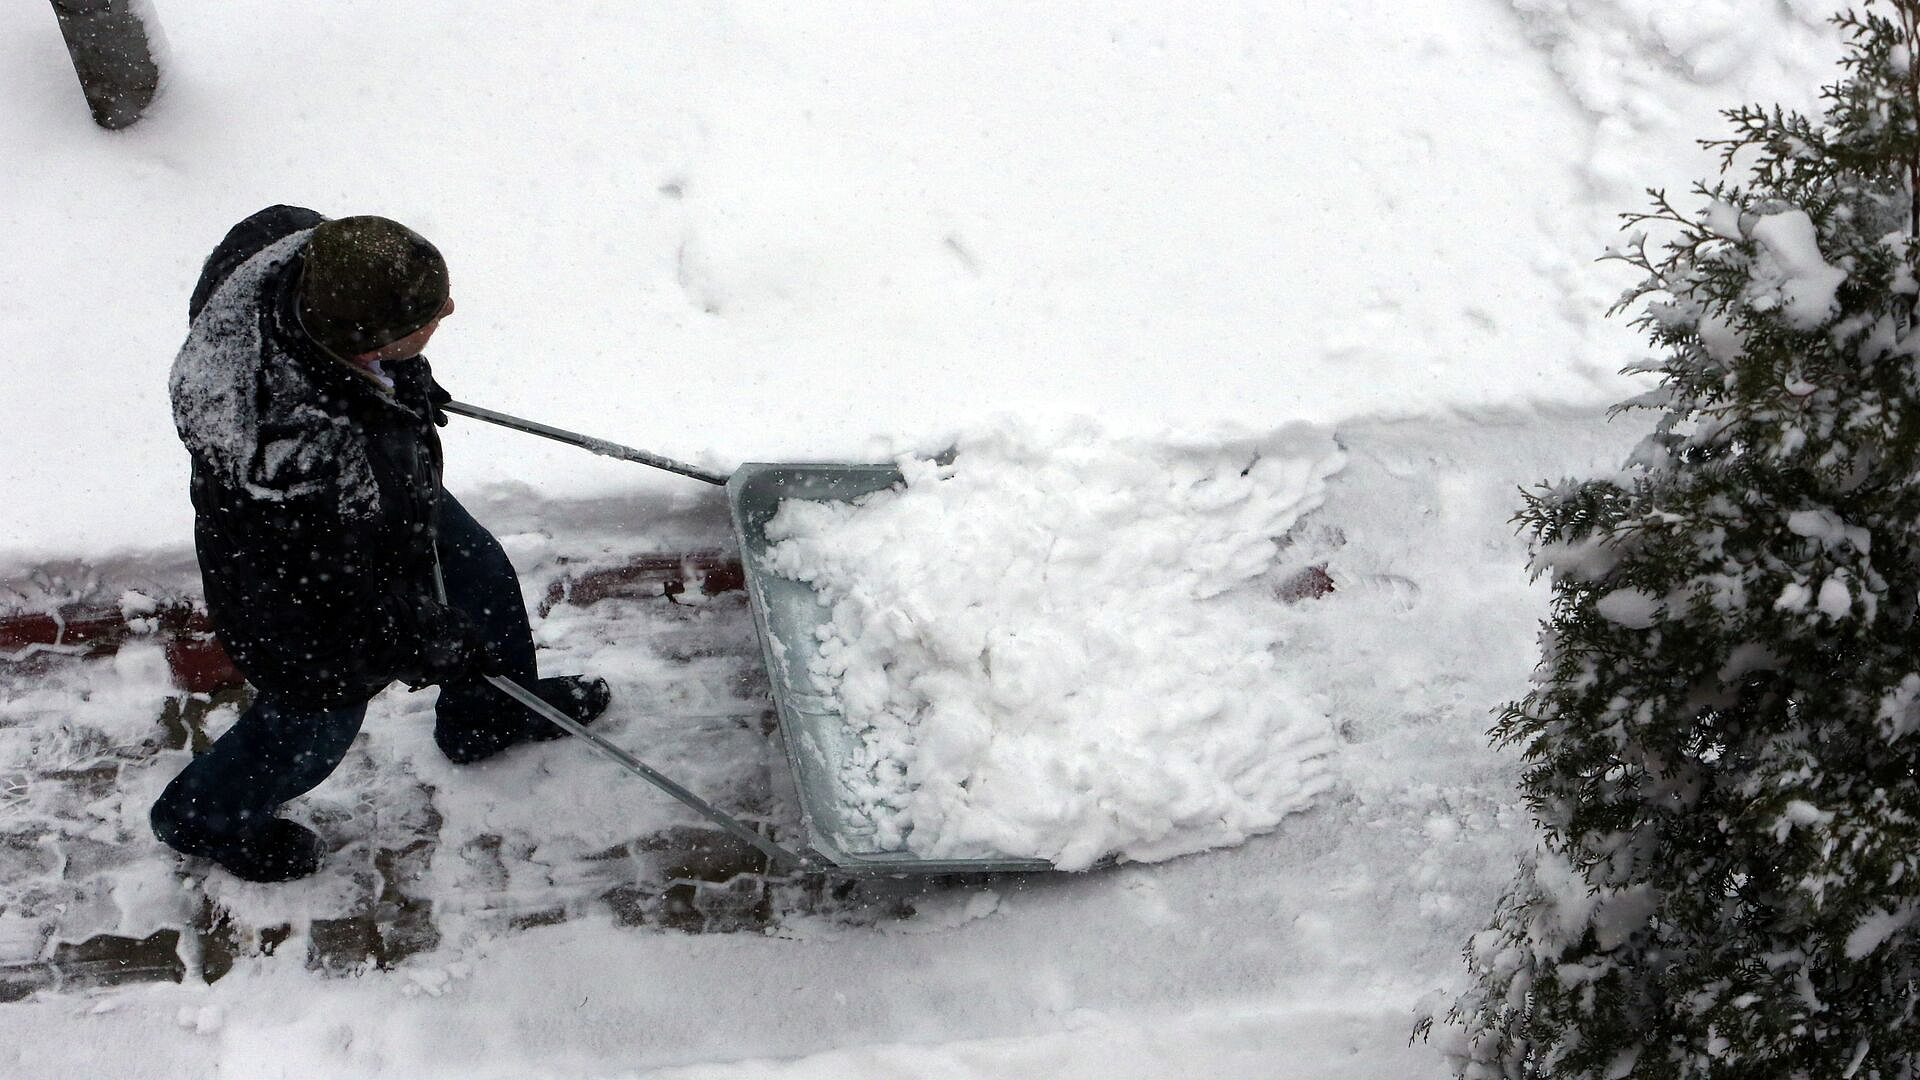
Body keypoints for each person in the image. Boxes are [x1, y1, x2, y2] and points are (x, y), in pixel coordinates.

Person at [154, 205, 611, 882]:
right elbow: (334, 601)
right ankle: (202, 819)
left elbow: (285, 249)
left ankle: (486, 718)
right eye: (427, 316)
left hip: (369, 499)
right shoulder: (290, 460)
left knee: (478, 574)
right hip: (293, 602)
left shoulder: (292, 254)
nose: (448, 310)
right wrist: (420, 640)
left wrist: (389, 381)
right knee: (313, 730)